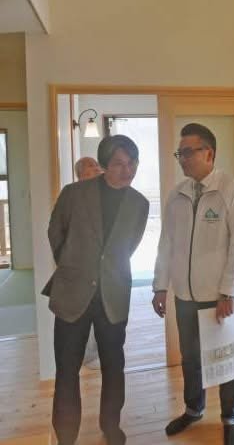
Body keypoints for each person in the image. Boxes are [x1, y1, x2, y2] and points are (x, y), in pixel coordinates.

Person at [43, 135, 149, 445]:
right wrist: (73, 265)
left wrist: (107, 271)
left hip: (113, 295)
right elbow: (55, 231)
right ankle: (66, 436)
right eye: (119, 164)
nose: (127, 170)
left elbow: (130, 244)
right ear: (104, 165)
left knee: (114, 366)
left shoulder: (140, 203)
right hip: (72, 293)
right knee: (67, 369)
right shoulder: (74, 193)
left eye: (132, 163)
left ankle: (111, 426)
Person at [152, 123, 234, 445]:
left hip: (218, 297)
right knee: (190, 357)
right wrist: (160, 285)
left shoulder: (232, 192)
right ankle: (193, 409)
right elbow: (166, 243)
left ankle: (231, 420)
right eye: (179, 153)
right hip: (184, 295)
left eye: (188, 152)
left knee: (226, 359)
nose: (182, 158)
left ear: (208, 153)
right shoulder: (177, 195)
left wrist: (229, 292)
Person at [73, 156, 104, 369]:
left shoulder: (104, 193)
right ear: (81, 174)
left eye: (97, 165)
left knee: (103, 309)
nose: (97, 168)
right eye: (92, 166)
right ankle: (88, 354)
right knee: (85, 309)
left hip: (104, 266)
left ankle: (99, 351)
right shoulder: (73, 195)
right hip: (81, 265)